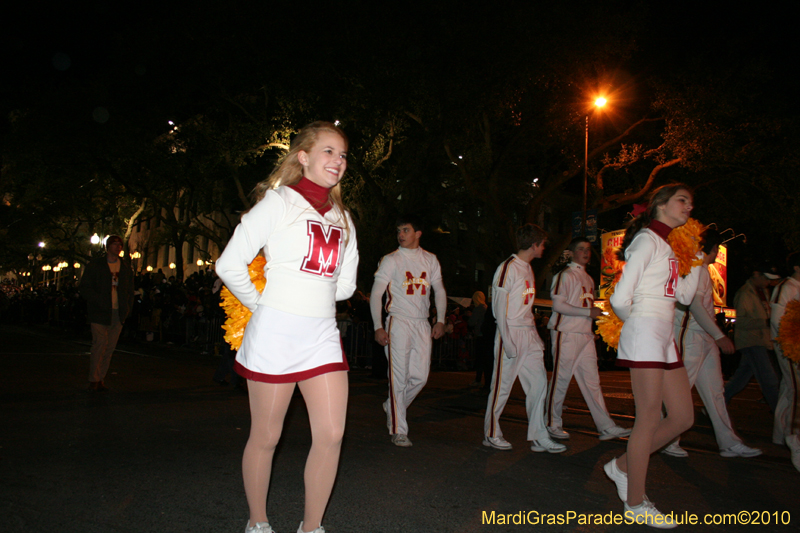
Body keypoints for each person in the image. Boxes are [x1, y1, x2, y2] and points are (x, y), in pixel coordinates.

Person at [215, 121, 359, 533]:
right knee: (266, 435)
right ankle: (257, 521)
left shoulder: (344, 218)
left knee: (332, 434)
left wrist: (310, 297)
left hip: (321, 336)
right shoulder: (278, 202)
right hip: (275, 333)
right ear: (304, 157)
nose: (337, 161)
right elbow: (228, 263)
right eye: (328, 151)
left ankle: (311, 526)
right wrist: (264, 306)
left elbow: (345, 284)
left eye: (343, 154)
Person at [603, 184, 702, 528]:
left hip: (664, 338)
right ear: (661, 204)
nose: (689, 206)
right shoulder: (646, 240)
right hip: (648, 333)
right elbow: (619, 298)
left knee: (682, 417)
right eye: (682, 200)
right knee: (647, 417)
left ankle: (621, 467)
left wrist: (701, 259)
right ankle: (634, 502)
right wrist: (639, 326)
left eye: (691, 202)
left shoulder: (665, 245)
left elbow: (685, 296)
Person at [662, 228, 761, 459]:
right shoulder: (696, 268)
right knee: (680, 391)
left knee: (716, 392)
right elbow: (694, 305)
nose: (718, 253)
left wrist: (714, 337)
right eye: (717, 248)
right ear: (710, 248)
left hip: (702, 338)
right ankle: (665, 437)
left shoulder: (702, 270)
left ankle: (728, 442)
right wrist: (720, 336)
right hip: (689, 337)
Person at [483, 223, 566, 453]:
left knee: (539, 384)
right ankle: (491, 433)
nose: (544, 249)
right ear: (534, 244)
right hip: (510, 332)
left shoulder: (528, 268)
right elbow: (499, 307)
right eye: (543, 245)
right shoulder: (508, 267)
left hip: (527, 334)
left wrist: (534, 336)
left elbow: (525, 307)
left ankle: (539, 436)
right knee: (501, 387)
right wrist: (508, 340)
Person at [370, 216, 447, 447]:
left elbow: (439, 291)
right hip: (399, 322)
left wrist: (440, 320)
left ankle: (392, 406)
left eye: (406, 230)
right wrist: (378, 326)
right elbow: (376, 294)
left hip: (422, 323)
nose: (401, 234)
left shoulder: (430, 259)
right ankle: (398, 429)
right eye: (399, 231)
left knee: (420, 377)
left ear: (418, 233)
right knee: (398, 378)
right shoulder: (391, 260)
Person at [545, 237, 631, 441]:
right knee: (561, 380)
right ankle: (552, 422)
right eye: (581, 249)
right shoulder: (565, 275)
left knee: (593, 383)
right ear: (572, 253)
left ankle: (605, 426)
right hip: (566, 333)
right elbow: (558, 306)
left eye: (588, 249)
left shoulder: (589, 279)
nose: (585, 252)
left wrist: (594, 315)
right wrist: (588, 313)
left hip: (584, 335)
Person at [79, 235, 134, 392]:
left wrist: (127, 307)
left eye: (120, 244)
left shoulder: (125, 267)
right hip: (100, 311)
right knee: (99, 344)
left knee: (109, 347)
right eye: (115, 244)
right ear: (108, 247)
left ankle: (100, 378)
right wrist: (98, 300)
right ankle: (94, 379)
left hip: (118, 312)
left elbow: (129, 290)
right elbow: (85, 288)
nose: (118, 247)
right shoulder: (96, 265)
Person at [723, 263, 781, 411]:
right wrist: (766, 322)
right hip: (752, 341)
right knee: (769, 380)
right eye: (766, 278)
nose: (768, 282)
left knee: (740, 379)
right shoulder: (745, 293)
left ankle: (717, 403)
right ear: (756, 274)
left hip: (760, 340)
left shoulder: (762, 292)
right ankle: (783, 415)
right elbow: (741, 322)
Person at [770, 252, 800, 469]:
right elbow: (777, 321)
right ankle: (793, 436)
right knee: (795, 390)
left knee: (788, 389)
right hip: (789, 347)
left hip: (792, 347)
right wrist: (789, 346)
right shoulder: (787, 287)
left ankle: (781, 434)